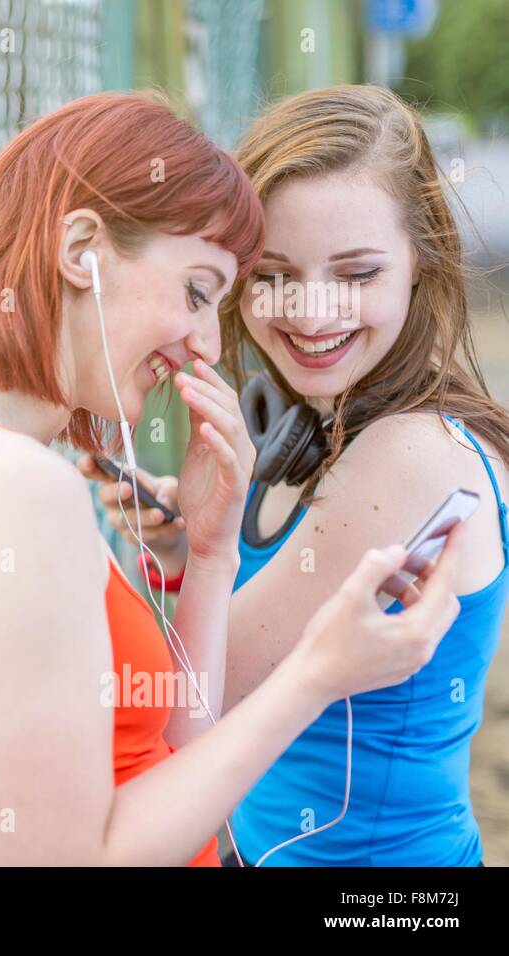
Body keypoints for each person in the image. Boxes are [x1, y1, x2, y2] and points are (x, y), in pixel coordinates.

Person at [0, 90, 463, 867]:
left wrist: (213, 553)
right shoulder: (9, 489)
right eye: (194, 292)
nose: (206, 347)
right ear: (80, 248)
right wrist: (317, 674)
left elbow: (166, 756)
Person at [76, 85, 508, 865]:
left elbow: (185, 717)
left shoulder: (407, 456)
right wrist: (189, 552)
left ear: (422, 260)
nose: (312, 312)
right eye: (275, 273)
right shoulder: (333, 418)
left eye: (355, 273)